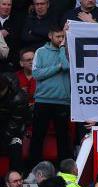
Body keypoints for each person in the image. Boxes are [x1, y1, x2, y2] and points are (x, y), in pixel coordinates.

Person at [27, 24, 69, 169]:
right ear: (50, 36)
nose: (60, 39)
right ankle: (33, 171)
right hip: (43, 100)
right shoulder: (40, 51)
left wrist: (63, 48)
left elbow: (67, 66)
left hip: (63, 101)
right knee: (38, 137)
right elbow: (37, 74)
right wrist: (56, 67)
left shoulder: (67, 50)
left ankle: (65, 172)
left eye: (62, 36)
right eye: (58, 36)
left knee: (63, 139)